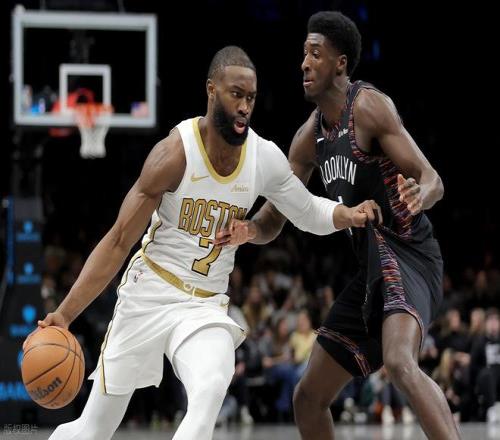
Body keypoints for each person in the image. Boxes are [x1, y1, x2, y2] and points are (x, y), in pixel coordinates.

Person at [27, 46, 380, 440]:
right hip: (149, 294)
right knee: (94, 428)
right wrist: (65, 314)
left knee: (211, 387)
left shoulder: (263, 157)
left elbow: (306, 210)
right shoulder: (174, 154)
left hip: (204, 306)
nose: (244, 107)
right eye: (236, 94)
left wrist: (345, 213)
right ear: (211, 90)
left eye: (251, 98)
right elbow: (118, 241)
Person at [216, 12, 460, 439]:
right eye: (303, 54)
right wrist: (248, 230)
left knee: (400, 362)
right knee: (307, 398)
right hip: (370, 274)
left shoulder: (368, 107)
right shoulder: (308, 139)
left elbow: (432, 178)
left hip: (410, 258)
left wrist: (420, 195)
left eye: (315, 54)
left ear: (340, 63)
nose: (304, 63)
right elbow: (274, 218)